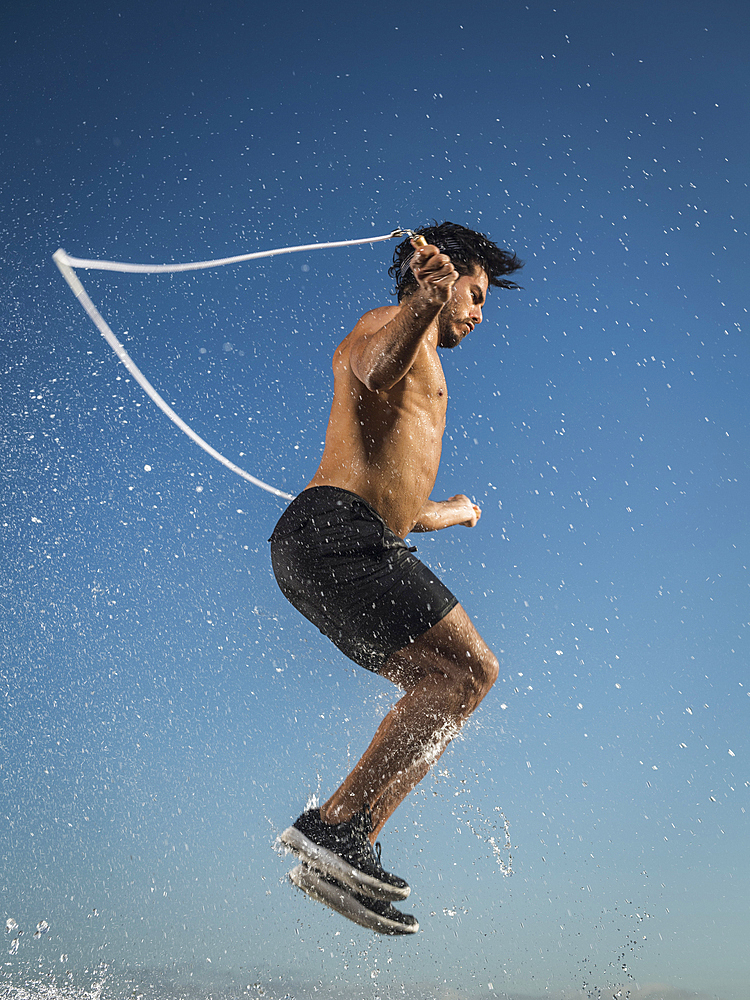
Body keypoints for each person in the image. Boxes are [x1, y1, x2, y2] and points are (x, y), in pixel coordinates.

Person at [270, 222, 523, 934]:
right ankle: (337, 825)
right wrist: (422, 303)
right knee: (472, 673)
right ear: (437, 276)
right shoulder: (386, 325)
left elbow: (403, 514)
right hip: (334, 535)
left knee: (448, 685)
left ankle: (346, 839)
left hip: (351, 540)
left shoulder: (426, 361)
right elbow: (373, 367)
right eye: (472, 295)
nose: (475, 314)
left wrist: (453, 511)